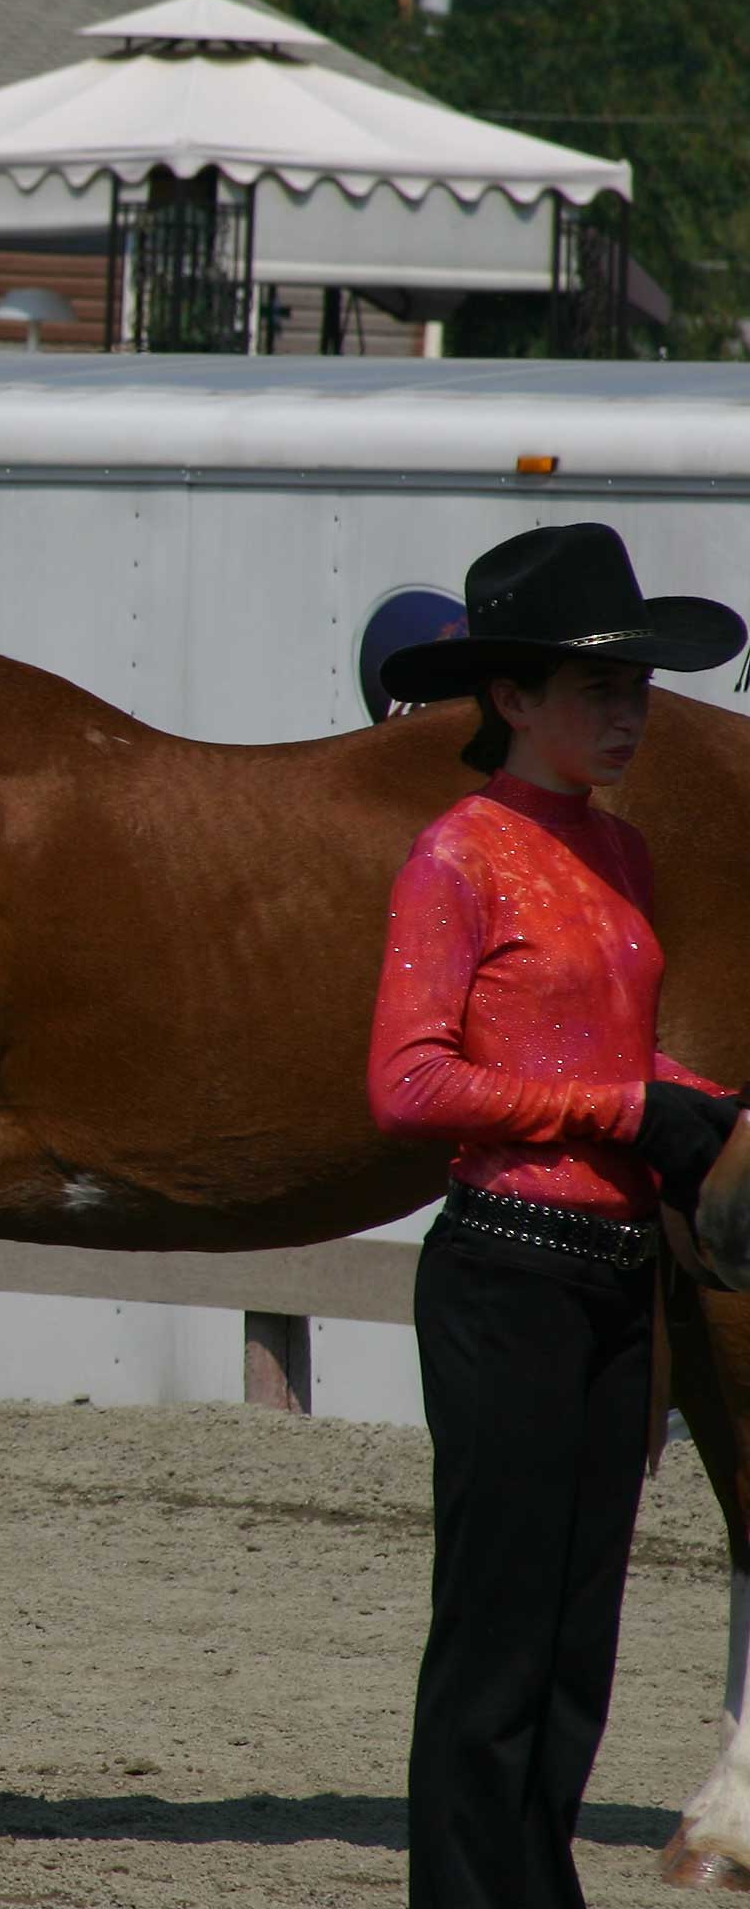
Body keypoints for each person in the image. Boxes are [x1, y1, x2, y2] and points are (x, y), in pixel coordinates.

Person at [369, 522, 747, 1909]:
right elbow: (408, 1084)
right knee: (497, 1638)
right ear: (514, 700)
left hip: (611, 1272)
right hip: (506, 1273)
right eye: (598, 687)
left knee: (580, 1635)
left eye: (636, 687)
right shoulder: (456, 859)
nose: (629, 711)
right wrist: (621, 1111)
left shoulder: (624, 860)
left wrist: (695, 1101)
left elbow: (598, 1051)